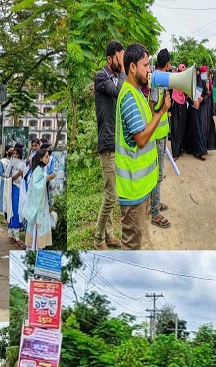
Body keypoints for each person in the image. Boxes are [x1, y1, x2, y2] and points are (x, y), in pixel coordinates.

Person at [115, 43, 169, 250]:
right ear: (132, 67)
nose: (149, 69)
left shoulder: (136, 92)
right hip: (133, 190)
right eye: (145, 65)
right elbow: (141, 138)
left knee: (135, 243)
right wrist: (161, 111)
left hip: (140, 189)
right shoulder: (129, 96)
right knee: (131, 246)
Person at [93, 40, 125, 250]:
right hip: (106, 142)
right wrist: (124, 70)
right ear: (110, 58)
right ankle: (98, 240)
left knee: (111, 192)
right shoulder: (101, 76)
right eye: (120, 57)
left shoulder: (111, 77)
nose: (122, 61)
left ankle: (109, 234)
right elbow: (119, 91)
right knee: (111, 195)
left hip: (116, 142)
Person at [150, 48, 171, 230]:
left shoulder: (158, 79)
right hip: (156, 135)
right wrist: (164, 108)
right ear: (167, 64)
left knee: (159, 173)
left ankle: (154, 204)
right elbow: (152, 109)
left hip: (160, 133)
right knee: (158, 174)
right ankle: (155, 212)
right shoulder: (157, 82)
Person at [22, 148, 55, 250]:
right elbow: (36, 187)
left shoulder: (40, 170)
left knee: (39, 226)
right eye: (46, 157)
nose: (48, 158)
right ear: (40, 159)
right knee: (37, 227)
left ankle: (37, 247)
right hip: (37, 206)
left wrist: (48, 184)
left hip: (42, 203)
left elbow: (40, 186)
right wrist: (47, 178)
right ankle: (34, 248)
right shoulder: (37, 170)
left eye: (48, 156)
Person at [3, 146, 26, 248]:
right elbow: (7, 177)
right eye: (13, 154)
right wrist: (18, 174)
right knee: (13, 211)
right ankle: (16, 237)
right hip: (13, 189)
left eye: (16, 154)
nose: (15, 155)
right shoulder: (11, 164)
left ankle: (12, 235)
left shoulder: (24, 164)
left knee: (18, 211)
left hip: (21, 190)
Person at [169, 64, 188, 160]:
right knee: (175, 129)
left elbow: (187, 93)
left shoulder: (185, 81)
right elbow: (170, 92)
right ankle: (175, 153)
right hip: (175, 105)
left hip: (183, 105)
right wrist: (169, 110)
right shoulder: (174, 80)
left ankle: (180, 149)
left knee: (182, 128)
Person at [0, 145, 11, 212]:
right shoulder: (2, 161)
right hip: (4, 181)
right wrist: (7, 175)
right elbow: (0, 172)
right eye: (10, 150)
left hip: (11, 181)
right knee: (3, 194)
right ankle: (2, 209)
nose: (11, 152)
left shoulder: (13, 161)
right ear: (6, 151)